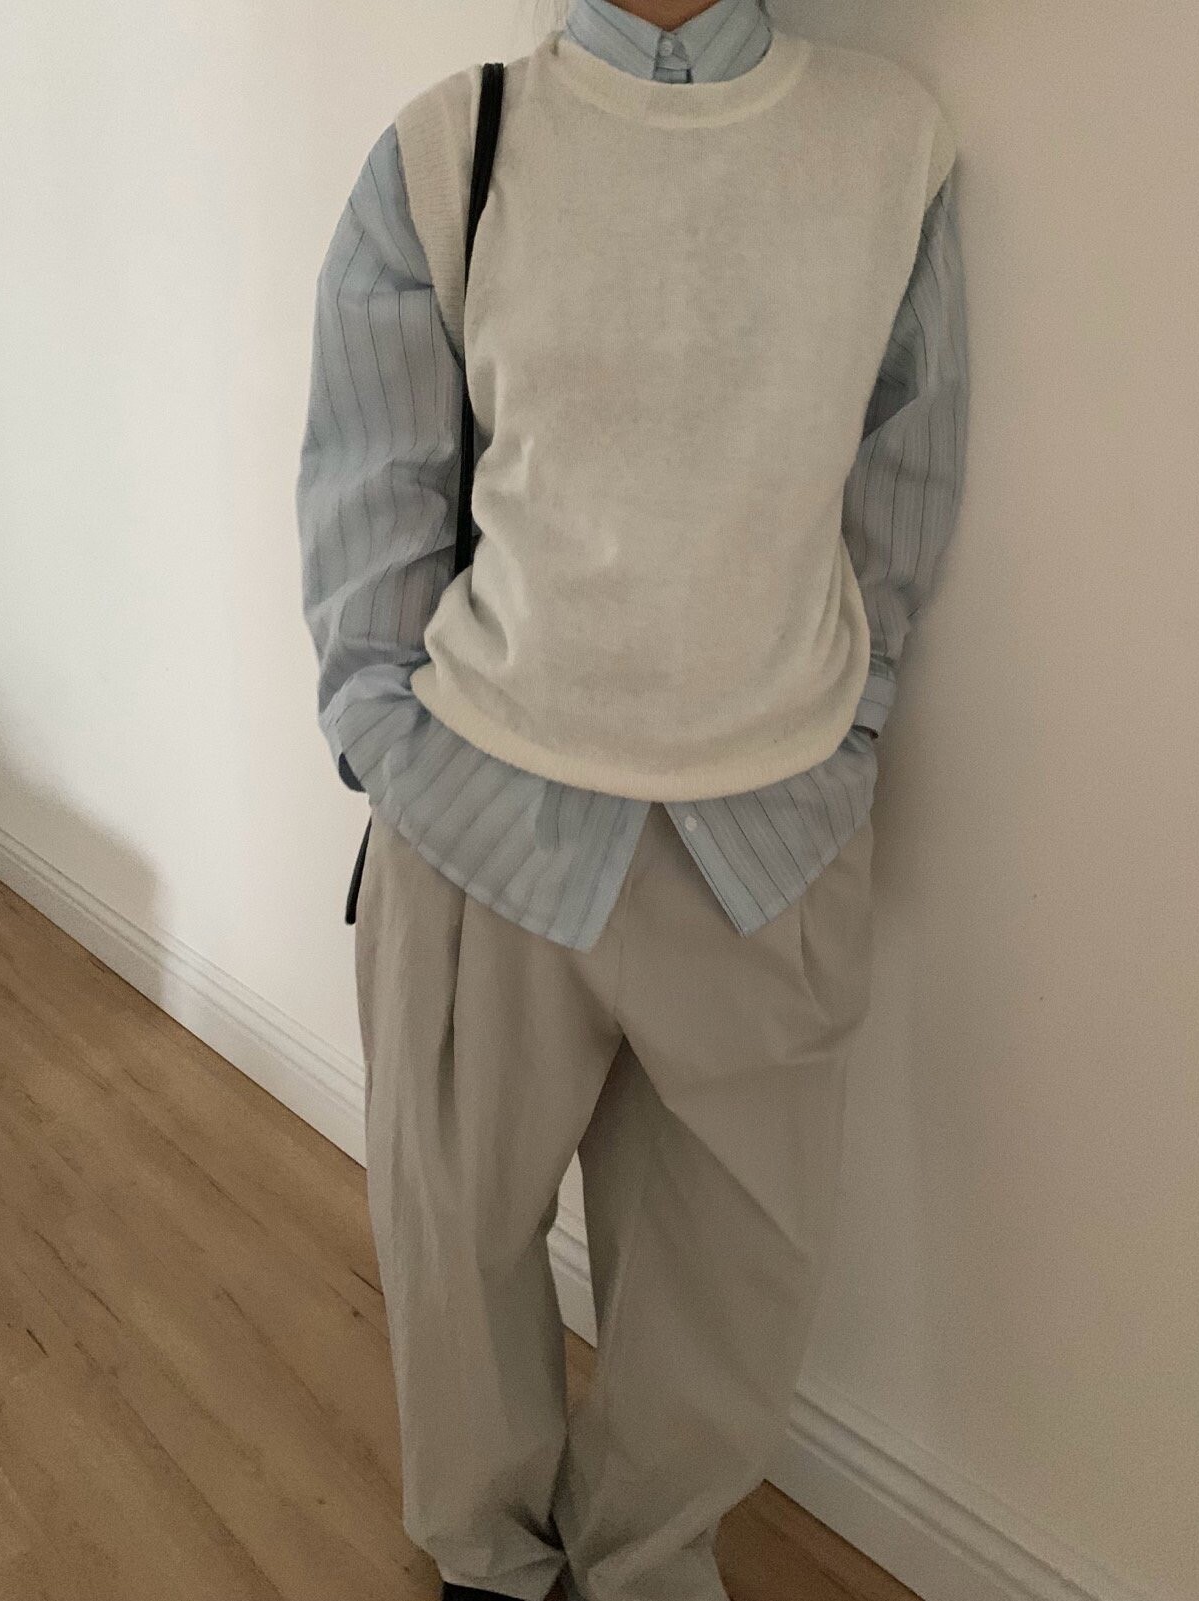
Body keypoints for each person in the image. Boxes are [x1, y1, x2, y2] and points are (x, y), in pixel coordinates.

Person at [295, 1, 969, 1597]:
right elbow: (368, 491)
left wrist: (852, 731)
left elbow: (906, 476)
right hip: (482, 827)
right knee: (455, 1260)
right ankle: (489, 1565)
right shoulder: (451, 147)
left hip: (768, 841)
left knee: (731, 1300)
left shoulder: (891, 147)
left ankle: (646, 1565)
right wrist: (395, 751)